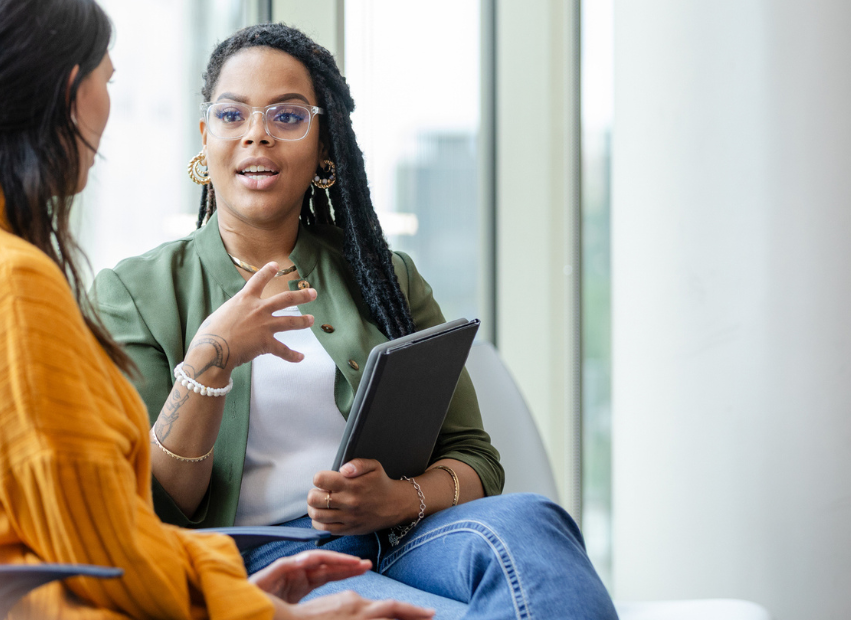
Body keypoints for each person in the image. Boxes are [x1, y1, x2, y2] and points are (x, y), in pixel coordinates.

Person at [0, 2, 434, 620]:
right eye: (108, 80)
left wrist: (233, 592)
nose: (258, 134)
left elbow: (96, 538)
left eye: (286, 116)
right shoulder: (6, 283)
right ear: (73, 94)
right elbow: (105, 552)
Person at [92, 23, 618, 620]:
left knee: (533, 519)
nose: (257, 135)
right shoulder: (134, 293)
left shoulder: (383, 277)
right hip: (263, 560)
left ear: (324, 147)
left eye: (287, 117)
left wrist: (396, 500)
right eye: (233, 115)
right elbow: (159, 505)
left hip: (402, 538)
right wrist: (212, 353)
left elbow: (475, 459)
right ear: (205, 136)